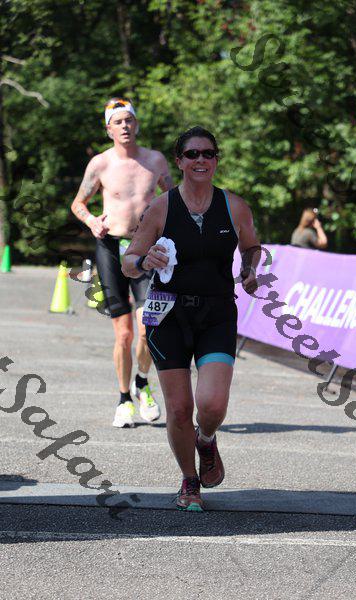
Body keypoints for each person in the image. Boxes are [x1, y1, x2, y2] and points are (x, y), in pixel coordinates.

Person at [122, 126, 260, 511]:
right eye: (193, 154)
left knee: (211, 405)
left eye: (208, 154)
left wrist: (250, 269)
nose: (201, 160)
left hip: (217, 312)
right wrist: (144, 260)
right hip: (167, 312)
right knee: (180, 408)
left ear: (216, 160)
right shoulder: (161, 207)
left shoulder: (235, 206)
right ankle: (189, 479)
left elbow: (252, 247)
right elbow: (128, 261)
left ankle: (206, 438)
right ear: (179, 161)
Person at [71, 97, 173, 428]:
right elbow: (78, 203)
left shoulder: (155, 160)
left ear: (137, 125)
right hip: (110, 247)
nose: (125, 126)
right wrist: (91, 221)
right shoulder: (100, 163)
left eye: (129, 120)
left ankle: (142, 382)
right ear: (109, 129)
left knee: (148, 327)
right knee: (124, 333)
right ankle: (124, 398)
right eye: (118, 122)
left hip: (145, 250)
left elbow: (174, 199)